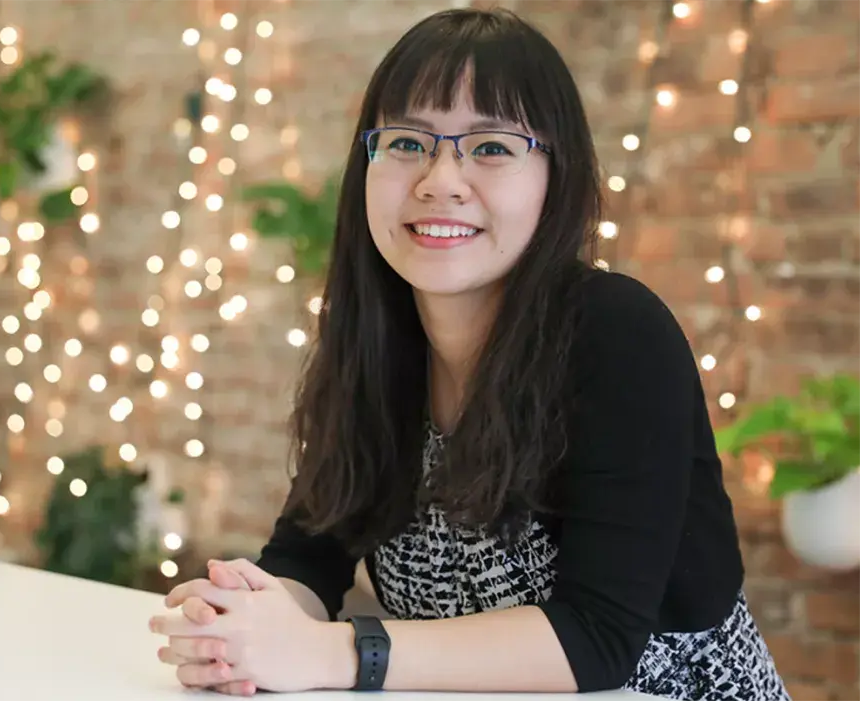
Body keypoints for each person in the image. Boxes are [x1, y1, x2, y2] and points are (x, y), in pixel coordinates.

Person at [148, 8, 790, 700]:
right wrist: (244, 616)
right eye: (406, 143)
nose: (440, 179)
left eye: (490, 147)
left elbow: (595, 638)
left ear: (556, 177)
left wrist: (333, 652)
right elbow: (308, 558)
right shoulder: (380, 342)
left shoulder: (618, 332)